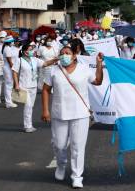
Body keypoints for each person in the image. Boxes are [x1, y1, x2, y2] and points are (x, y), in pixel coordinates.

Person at [41, 46, 103, 188]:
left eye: (67, 53)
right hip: (59, 113)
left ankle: (76, 176)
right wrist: (45, 110)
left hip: (80, 114)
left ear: (75, 55)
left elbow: (98, 81)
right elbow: (45, 90)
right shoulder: (54, 70)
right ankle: (61, 165)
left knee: (77, 146)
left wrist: (99, 64)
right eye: (61, 54)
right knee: (59, 145)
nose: (64, 56)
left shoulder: (84, 68)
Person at [12, 42, 58, 133]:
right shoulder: (19, 60)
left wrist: (55, 60)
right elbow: (14, 72)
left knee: (31, 106)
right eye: (30, 50)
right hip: (24, 86)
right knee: (28, 106)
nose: (32, 51)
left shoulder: (34, 59)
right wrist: (16, 84)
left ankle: (29, 124)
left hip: (33, 86)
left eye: (32, 49)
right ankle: (27, 126)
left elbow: (45, 64)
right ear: (25, 52)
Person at [1, 36, 17, 108]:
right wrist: (14, 68)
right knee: (8, 85)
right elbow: (9, 61)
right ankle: (8, 103)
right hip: (8, 68)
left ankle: (9, 101)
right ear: (9, 42)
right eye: (12, 41)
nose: (13, 42)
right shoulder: (7, 49)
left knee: (9, 85)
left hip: (8, 68)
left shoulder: (8, 48)